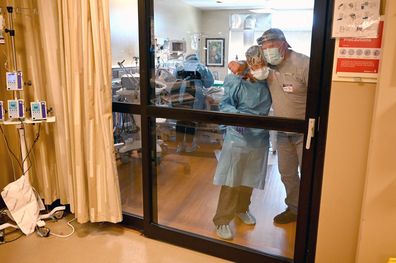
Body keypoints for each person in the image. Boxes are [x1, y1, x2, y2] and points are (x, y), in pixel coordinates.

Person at [212, 45, 272, 240]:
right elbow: (225, 104)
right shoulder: (235, 81)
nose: (261, 68)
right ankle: (222, 220)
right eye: (258, 64)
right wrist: (238, 119)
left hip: (259, 137)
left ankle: (241, 209)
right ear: (250, 63)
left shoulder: (268, 81)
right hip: (238, 136)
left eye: (264, 64)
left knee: (249, 177)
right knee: (232, 179)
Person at [257, 28, 309, 224]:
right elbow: (249, 64)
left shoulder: (303, 64)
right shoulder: (268, 67)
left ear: (284, 43)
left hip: (305, 133)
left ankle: (311, 211)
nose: (268, 51)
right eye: (264, 47)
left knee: (309, 174)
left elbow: (321, 97)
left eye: (271, 46)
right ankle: (294, 209)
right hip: (282, 133)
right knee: (287, 174)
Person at [173, 54, 214, 153]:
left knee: (180, 119)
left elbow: (174, 76)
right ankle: (189, 145)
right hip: (194, 92)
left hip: (179, 92)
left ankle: (179, 145)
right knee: (191, 119)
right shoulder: (202, 67)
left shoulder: (180, 66)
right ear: (196, 58)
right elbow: (209, 83)